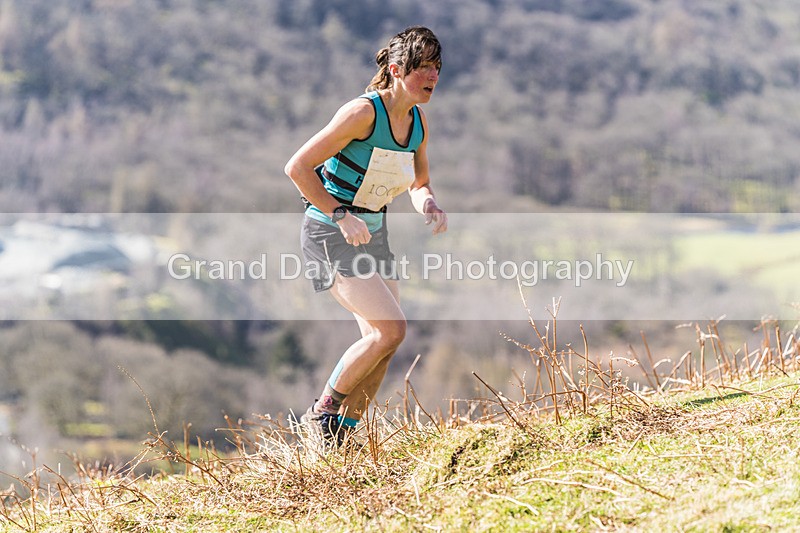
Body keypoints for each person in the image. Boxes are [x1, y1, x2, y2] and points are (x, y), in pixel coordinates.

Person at [284, 26, 448, 448]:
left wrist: (427, 202)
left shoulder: (418, 122)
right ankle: (322, 413)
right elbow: (298, 168)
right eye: (423, 67)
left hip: (373, 235)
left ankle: (345, 435)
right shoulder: (361, 113)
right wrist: (339, 214)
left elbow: (419, 181)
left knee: (383, 343)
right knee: (389, 330)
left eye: (437, 67)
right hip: (329, 232)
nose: (432, 76)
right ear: (396, 70)